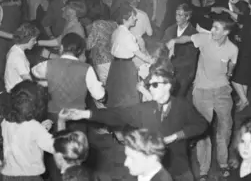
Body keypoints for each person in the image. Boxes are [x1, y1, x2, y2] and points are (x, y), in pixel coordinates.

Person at [59, 61, 208, 181]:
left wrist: (175, 136)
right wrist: (85, 114)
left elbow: (201, 125)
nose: (150, 88)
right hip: (153, 168)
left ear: (168, 86)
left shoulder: (182, 106)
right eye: (149, 84)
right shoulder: (145, 109)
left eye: (155, 84)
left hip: (180, 168)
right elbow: (117, 114)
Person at [166, 14, 238, 181]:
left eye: (216, 28)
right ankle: (204, 169)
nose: (211, 30)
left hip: (222, 92)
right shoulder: (205, 39)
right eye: (212, 27)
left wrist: (229, 72)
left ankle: (223, 162)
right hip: (202, 91)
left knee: (225, 127)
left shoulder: (233, 49)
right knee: (202, 130)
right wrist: (173, 42)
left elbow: (232, 64)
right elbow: (186, 38)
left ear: (226, 32)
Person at [1, 81, 55, 180]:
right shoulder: (35, 128)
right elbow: (55, 147)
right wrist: (61, 122)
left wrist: (40, 129)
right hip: (29, 177)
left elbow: (20, 136)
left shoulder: (6, 122)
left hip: (7, 176)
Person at [106, 4, 155, 107]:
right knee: (128, 97)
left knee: (116, 95)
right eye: (133, 16)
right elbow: (140, 55)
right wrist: (152, 61)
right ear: (125, 19)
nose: (135, 18)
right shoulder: (127, 36)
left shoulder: (117, 31)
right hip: (125, 68)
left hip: (115, 66)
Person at [161, 4, 198, 98]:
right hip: (168, 70)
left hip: (183, 73)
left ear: (188, 17)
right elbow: (163, 48)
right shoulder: (170, 30)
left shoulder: (193, 35)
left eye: (180, 15)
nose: (177, 17)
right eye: (176, 14)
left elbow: (190, 59)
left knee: (177, 99)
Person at [4, 22, 39, 92]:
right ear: (26, 39)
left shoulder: (14, 48)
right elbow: (28, 80)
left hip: (10, 87)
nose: (35, 42)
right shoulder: (18, 58)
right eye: (33, 40)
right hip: (15, 93)